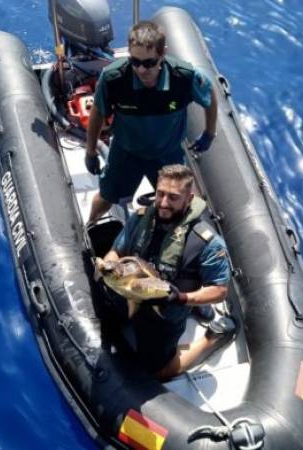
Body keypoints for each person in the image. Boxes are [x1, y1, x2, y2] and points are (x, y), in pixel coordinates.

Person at [100, 164, 234, 380]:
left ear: (189, 199)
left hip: (167, 311)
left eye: (173, 197)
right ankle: (197, 308)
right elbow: (116, 250)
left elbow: (219, 290)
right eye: (160, 194)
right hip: (130, 292)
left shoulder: (209, 243)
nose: (163, 203)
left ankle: (213, 336)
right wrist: (109, 266)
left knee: (157, 373)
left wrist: (181, 298)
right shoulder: (141, 217)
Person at [85, 21, 218, 223]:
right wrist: (91, 150)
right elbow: (97, 114)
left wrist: (209, 133)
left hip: (168, 154)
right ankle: (90, 225)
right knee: (106, 197)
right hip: (127, 152)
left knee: (177, 204)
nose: (141, 69)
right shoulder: (113, 78)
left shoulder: (183, 77)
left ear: (162, 54)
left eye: (148, 63)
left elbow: (210, 95)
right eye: (134, 61)